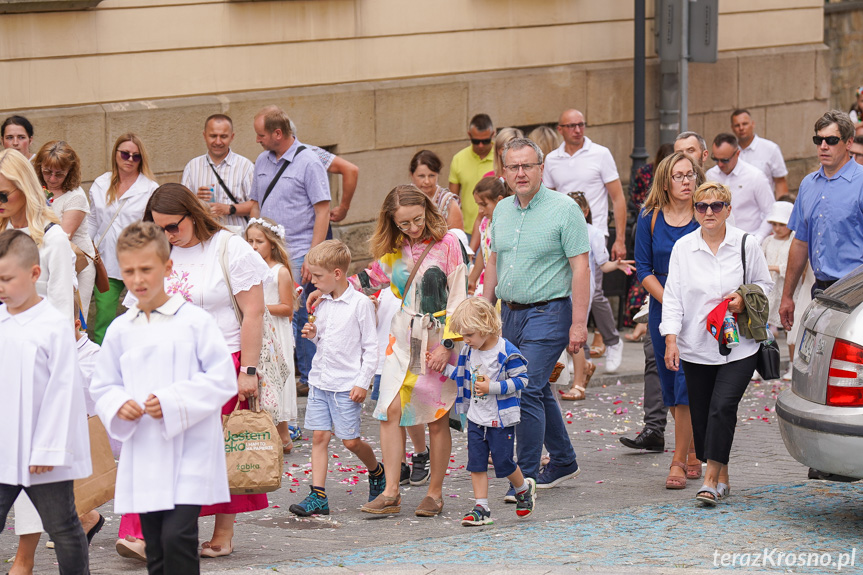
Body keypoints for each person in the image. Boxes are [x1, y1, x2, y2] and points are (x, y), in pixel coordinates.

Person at [108, 184, 268, 560]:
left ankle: (222, 533)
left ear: (192, 215)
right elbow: (135, 308)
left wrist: (248, 369)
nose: (167, 236)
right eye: (158, 228)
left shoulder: (229, 248)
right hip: (163, 367)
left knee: (217, 450)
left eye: (173, 227)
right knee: (150, 446)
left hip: (221, 361)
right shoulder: (157, 251)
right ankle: (139, 533)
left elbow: (254, 312)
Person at [91, 222, 237, 574]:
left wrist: (173, 401)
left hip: (191, 450)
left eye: (146, 269)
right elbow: (103, 384)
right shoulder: (120, 330)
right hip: (146, 451)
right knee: (155, 544)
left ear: (167, 268)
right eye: (129, 271)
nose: (138, 279)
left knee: (178, 537)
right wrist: (117, 403)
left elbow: (221, 378)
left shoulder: (194, 322)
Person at [312, 185, 467, 517]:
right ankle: (392, 492)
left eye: (417, 220)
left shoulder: (449, 244)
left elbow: (459, 299)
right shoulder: (396, 247)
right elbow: (370, 277)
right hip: (401, 336)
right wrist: (327, 289)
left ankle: (434, 494)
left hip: (439, 338)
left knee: (435, 418)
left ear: (427, 210)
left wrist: (448, 345)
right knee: (389, 410)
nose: (412, 228)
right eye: (403, 223)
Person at [483, 137, 590, 494]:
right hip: (510, 314)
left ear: (541, 168)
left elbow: (581, 268)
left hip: (551, 311)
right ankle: (563, 460)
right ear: (504, 172)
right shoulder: (501, 211)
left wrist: (578, 323)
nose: (521, 173)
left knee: (523, 386)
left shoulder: (564, 209)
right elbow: (494, 261)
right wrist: (485, 310)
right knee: (538, 387)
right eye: (513, 167)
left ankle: (523, 477)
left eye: (528, 165)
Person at [661, 181, 773, 505]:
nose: (709, 212)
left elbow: (765, 285)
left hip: (739, 345)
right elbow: (673, 299)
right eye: (701, 206)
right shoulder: (683, 248)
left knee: (723, 407)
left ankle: (710, 480)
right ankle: (722, 474)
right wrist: (671, 339)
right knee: (701, 413)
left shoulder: (745, 244)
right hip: (697, 344)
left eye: (716, 206)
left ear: (728, 209)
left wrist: (741, 297)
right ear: (695, 210)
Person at [0, 229, 91, 575]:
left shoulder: (54, 326)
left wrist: (48, 447)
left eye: (8, 278)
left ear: (34, 274)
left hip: (43, 453)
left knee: (63, 525)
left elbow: (63, 391)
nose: (1, 286)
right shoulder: (1, 321)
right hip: (6, 444)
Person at [290, 240, 383, 516]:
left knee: (350, 441)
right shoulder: (324, 303)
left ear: (337, 274)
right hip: (321, 380)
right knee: (319, 437)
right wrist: (313, 334)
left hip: (346, 384)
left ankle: (377, 471)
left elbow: (370, 347)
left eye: (318, 276)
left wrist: (362, 381)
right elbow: (327, 342)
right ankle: (318, 495)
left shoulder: (360, 305)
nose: (313, 281)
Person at [634, 152, 706, 487]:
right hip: (664, 306)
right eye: (679, 176)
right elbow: (644, 270)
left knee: (686, 385)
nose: (687, 181)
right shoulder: (649, 218)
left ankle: (678, 460)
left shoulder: (704, 215)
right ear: (666, 181)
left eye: (691, 174)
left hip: (699, 310)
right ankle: (691, 447)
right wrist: (670, 300)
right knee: (669, 384)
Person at [249, 105, 330, 399]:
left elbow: (323, 211)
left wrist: (313, 255)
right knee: (273, 309)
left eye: (261, 135)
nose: (257, 140)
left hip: (297, 251)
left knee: (298, 314)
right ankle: (283, 369)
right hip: (265, 253)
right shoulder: (261, 160)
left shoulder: (309, 162)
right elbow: (256, 203)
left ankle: (308, 377)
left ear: (278, 134)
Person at [439, 298, 535, 526]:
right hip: (476, 417)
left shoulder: (505, 351)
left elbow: (522, 380)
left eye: (470, 334)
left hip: (500, 419)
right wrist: (443, 368)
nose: (466, 340)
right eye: (463, 335)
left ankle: (523, 489)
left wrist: (493, 387)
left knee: (503, 462)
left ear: (485, 326)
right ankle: (481, 507)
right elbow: (465, 377)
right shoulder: (470, 351)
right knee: (476, 463)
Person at [543, 109, 627, 371]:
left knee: (595, 292)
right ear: (560, 129)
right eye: (571, 126)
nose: (577, 130)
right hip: (562, 235)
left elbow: (617, 197)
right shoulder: (552, 159)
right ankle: (580, 353)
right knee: (568, 293)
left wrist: (619, 238)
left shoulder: (600, 154)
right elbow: (546, 199)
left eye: (581, 124)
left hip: (595, 232)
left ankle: (612, 341)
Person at [780, 110, 863, 330]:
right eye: (819, 140)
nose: (823, 146)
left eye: (831, 140)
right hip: (820, 291)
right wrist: (788, 296)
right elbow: (800, 242)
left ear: (849, 143)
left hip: (856, 292)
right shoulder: (808, 184)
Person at [561, 192, 634, 401]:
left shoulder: (593, 233)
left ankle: (580, 377)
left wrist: (617, 264)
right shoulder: (560, 230)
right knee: (564, 327)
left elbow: (603, 263)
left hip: (584, 288)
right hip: (562, 288)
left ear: (585, 212)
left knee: (577, 327)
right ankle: (584, 366)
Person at [87, 133, 159, 344]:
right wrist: (86, 250)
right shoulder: (101, 183)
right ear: (116, 154)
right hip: (105, 262)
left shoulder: (150, 188)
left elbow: (154, 227)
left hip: (138, 262)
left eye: (135, 156)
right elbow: (92, 220)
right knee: (104, 318)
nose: (129, 159)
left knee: (143, 315)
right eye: (125, 154)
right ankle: (101, 360)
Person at [0, 148, 75, 319]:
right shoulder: (3, 231)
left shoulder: (53, 238)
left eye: (3, 195)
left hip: (39, 339)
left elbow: (62, 309)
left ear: (25, 188)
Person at [245, 217, 298, 452]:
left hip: (276, 332)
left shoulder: (280, 272)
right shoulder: (247, 267)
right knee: (261, 381)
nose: (254, 246)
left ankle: (284, 436)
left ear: (273, 244)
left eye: (259, 241)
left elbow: (288, 308)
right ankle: (266, 432)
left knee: (277, 380)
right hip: (257, 331)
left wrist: (259, 309)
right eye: (250, 241)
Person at [34, 141, 96, 322]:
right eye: (47, 172)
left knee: (73, 318)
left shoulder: (75, 196)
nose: (52, 179)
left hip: (78, 265)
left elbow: (62, 237)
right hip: (44, 260)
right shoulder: (37, 190)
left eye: (59, 174)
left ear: (70, 171)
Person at [626, 143, 674, 334]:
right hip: (661, 294)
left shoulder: (701, 212)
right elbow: (644, 267)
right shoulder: (649, 214)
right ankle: (640, 322)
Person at [182, 114, 255, 230]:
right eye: (213, 136)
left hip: (236, 237)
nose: (218, 141)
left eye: (223, 136)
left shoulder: (245, 166)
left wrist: (229, 209)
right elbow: (181, 206)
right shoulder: (192, 166)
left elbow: (255, 205)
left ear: (232, 137)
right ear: (204, 136)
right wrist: (196, 200)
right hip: (205, 236)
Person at [706, 133, 773, 241]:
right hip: (718, 241)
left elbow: (770, 212)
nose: (720, 164)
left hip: (748, 239)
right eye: (715, 159)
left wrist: (758, 239)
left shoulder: (755, 177)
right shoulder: (710, 175)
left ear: (738, 153)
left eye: (725, 160)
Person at [290, 120, 359, 223]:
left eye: (262, 135)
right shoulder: (265, 158)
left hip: (311, 225)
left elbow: (351, 170)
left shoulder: (310, 153)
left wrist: (343, 208)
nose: (258, 140)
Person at [449, 113, 496, 236]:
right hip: (467, 231)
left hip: (495, 227)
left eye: (486, 141)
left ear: (493, 134)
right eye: (476, 141)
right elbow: (453, 200)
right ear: (469, 135)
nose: (480, 145)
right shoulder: (458, 159)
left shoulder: (501, 157)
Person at [731, 109, 789, 198]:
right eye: (737, 125)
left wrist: (781, 208)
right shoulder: (730, 152)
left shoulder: (771, 149)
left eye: (745, 124)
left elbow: (780, 181)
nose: (741, 128)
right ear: (732, 128)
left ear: (752, 124)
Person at [468, 176, 509, 296]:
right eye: (478, 205)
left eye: (484, 204)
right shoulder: (486, 222)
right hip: (486, 281)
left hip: (502, 283)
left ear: (499, 200)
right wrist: (472, 278)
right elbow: (483, 250)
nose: (480, 210)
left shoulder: (508, 224)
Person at [409, 150, 463, 230]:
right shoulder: (402, 198)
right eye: (421, 176)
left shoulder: (448, 202)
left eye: (431, 175)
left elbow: (457, 238)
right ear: (412, 175)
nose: (427, 181)